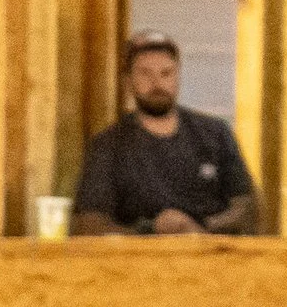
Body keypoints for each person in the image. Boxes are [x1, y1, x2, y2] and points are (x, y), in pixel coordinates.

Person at [70, 32, 258, 236]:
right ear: (128, 80)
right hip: (136, 260)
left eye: (166, 73)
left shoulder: (215, 133)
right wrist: (150, 231)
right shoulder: (108, 145)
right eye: (145, 73)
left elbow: (246, 208)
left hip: (213, 254)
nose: (157, 83)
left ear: (178, 76)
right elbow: (88, 222)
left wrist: (195, 229)